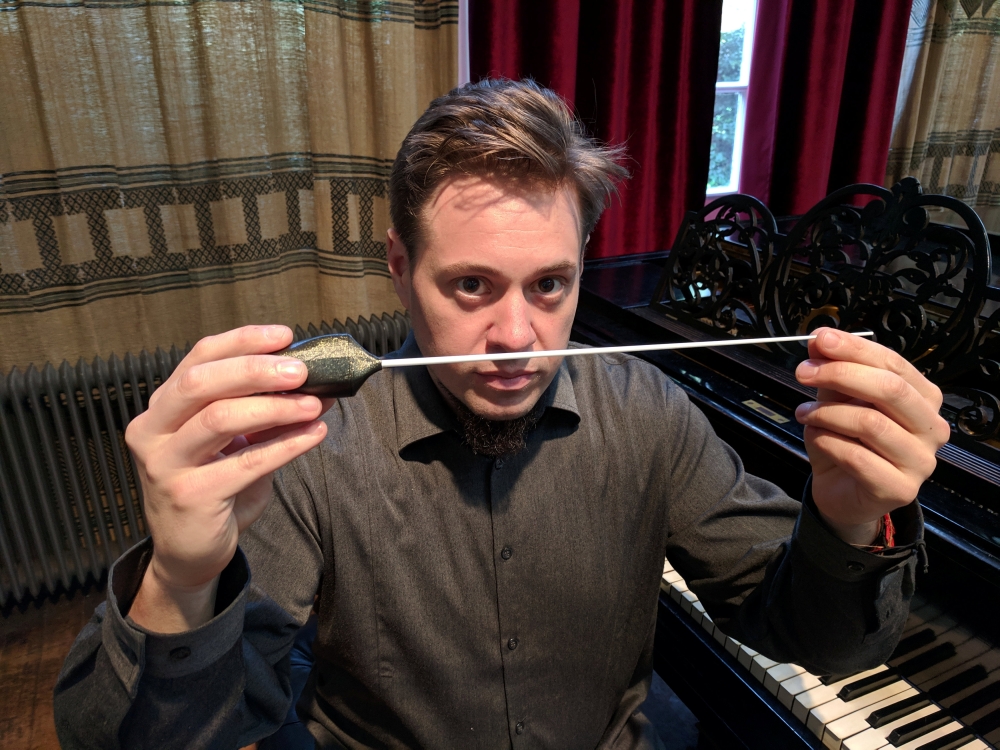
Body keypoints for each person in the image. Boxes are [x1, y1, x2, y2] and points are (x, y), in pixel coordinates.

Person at [53, 79, 949, 749]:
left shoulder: (649, 413)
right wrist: (178, 575)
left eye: (550, 284)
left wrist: (847, 516)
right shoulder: (311, 445)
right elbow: (153, 734)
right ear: (400, 267)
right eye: (471, 284)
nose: (517, 336)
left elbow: (811, 638)